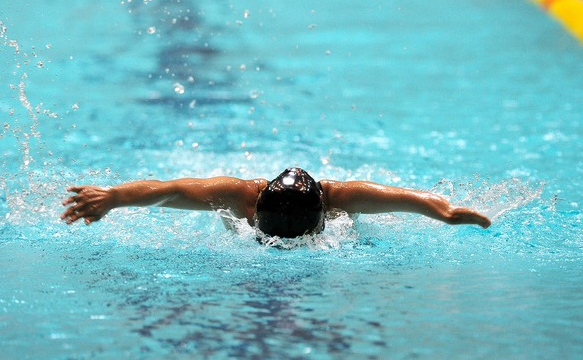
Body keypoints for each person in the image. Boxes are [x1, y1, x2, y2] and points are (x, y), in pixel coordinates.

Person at [61, 167, 491, 239]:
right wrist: (446, 214)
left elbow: (170, 189)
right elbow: (412, 200)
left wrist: (116, 196)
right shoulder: (342, 197)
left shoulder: (238, 196)